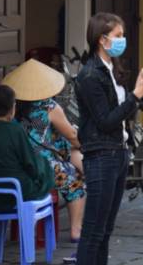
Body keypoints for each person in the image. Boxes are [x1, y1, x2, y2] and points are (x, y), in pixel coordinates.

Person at [74, 12, 143, 265]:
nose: (123, 40)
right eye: (118, 36)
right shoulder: (90, 75)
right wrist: (136, 96)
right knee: (93, 231)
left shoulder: (111, 69)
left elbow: (119, 116)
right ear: (102, 39)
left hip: (118, 152)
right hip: (101, 155)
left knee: (105, 229)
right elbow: (105, 120)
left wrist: (136, 94)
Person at [5, 59, 86, 244]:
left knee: (67, 152)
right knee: (76, 182)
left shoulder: (11, 107)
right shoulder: (48, 107)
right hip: (42, 166)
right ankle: (76, 230)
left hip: (17, 165)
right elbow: (72, 135)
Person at [0, 85, 54, 212]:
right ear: (12, 108)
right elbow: (30, 164)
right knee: (45, 169)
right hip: (18, 192)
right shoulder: (15, 130)